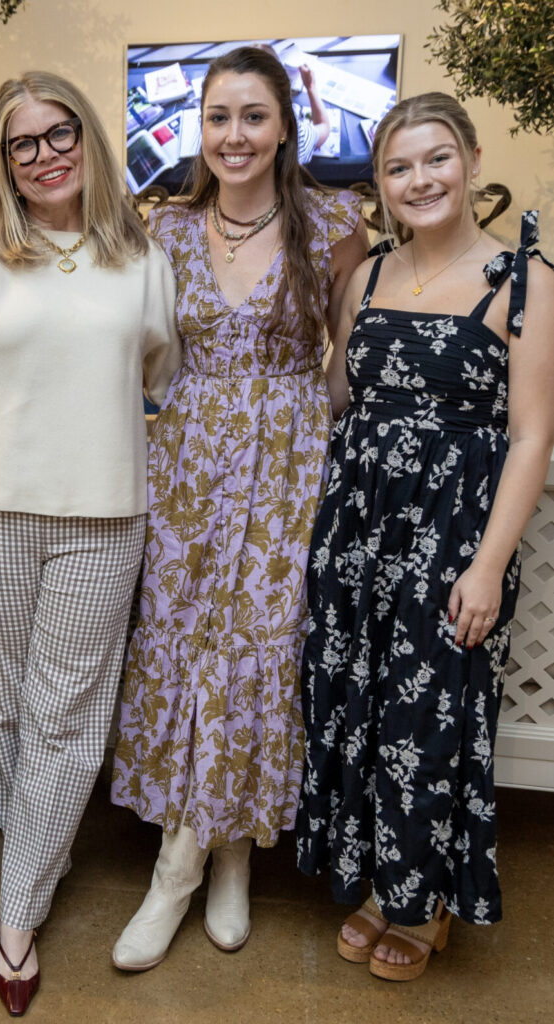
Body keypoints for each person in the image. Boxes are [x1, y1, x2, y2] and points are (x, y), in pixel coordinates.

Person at [0, 71, 181, 1016]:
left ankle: (15, 912)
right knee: (12, 709)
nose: (45, 153)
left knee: (65, 716)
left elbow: (155, 374)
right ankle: (40, 851)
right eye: (23, 143)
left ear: (89, 141)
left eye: (59, 133)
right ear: (4, 162)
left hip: (104, 519)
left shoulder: (141, 261)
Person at [109, 46, 368, 970]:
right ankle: (215, 857)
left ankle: (201, 867)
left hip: (288, 462)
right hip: (185, 468)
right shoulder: (166, 228)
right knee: (185, 647)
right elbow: (142, 351)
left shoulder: (334, 220)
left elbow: (350, 358)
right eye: (218, 116)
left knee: (254, 651)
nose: (234, 135)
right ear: (198, 126)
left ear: (286, 125)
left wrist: (313, 440)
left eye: (252, 116)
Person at [295, 92, 554, 981]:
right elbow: (338, 402)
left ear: (472, 160)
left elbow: (530, 436)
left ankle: (422, 899)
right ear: (379, 184)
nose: (419, 179)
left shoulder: (523, 279)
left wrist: (487, 567)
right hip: (357, 531)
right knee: (361, 709)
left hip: (450, 540)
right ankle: (375, 884)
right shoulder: (364, 275)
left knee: (427, 716)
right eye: (398, 167)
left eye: (436, 158)